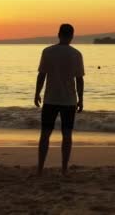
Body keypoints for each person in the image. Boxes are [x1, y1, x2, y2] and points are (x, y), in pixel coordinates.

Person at [34, 24, 84, 176]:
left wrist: (37, 93)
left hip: (50, 99)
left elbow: (42, 75)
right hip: (69, 100)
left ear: (58, 34)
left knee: (45, 134)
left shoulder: (48, 52)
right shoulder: (76, 54)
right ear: (72, 35)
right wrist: (80, 99)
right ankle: (63, 169)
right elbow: (79, 79)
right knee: (67, 135)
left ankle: (40, 168)